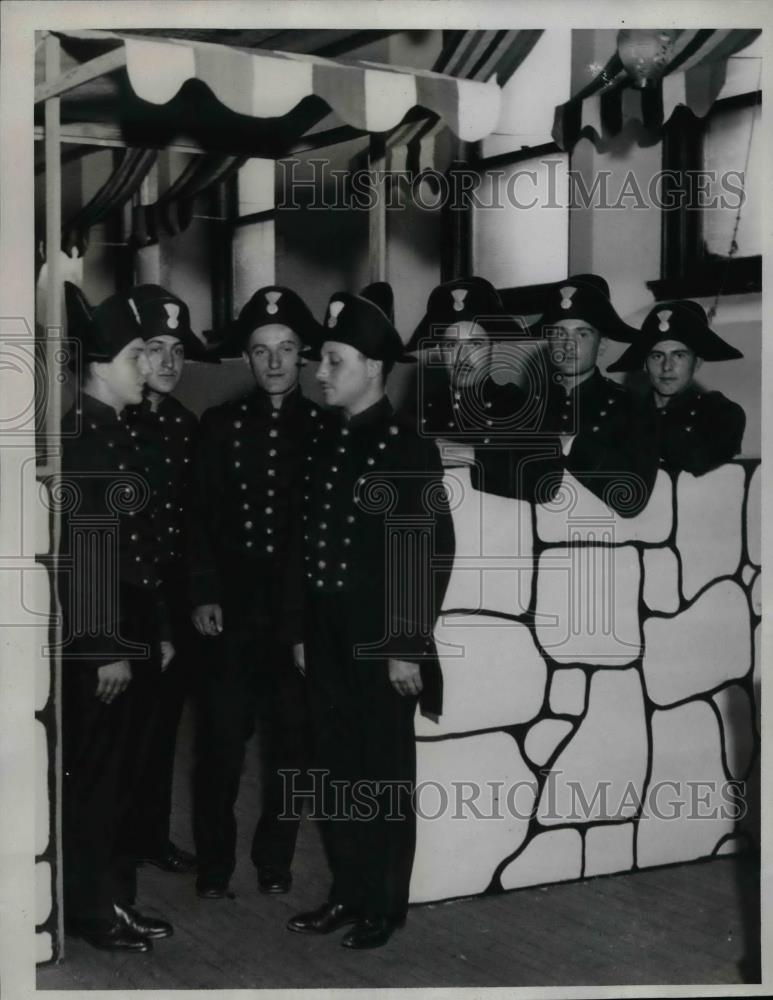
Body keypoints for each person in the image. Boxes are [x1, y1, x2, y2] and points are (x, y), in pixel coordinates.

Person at [287, 290, 455, 950]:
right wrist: (299, 630)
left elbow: (428, 550)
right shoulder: (323, 438)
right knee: (335, 771)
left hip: (379, 639)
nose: (320, 372)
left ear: (374, 366)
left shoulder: (406, 446)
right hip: (325, 638)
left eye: (333, 359)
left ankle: (384, 904)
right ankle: (346, 891)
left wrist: (405, 643)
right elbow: (303, 544)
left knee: (383, 774)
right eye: (322, 360)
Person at [187, 286, 322, 898]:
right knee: (219, 745)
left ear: (304, 357)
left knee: (291, 750)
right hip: (232, 617)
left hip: (296, 621)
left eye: (286, 349)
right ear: (246, 358)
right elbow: (199, 519)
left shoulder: (328, 430)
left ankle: (275, 860)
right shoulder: (219, 427)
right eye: (262, 350)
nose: (274, 362)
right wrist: (204, 591)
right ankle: (214, 864)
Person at [58, 282, 175, 952]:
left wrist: (152, 632)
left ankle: (116, 898)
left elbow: (140, 547)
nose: (149, 365)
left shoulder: (114, 433)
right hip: (103, 627)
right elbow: (88, 546)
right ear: (101, 364)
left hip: (129, 619)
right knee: (99, 776)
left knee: (123, 773)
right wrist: (106, 645)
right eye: (138, 353)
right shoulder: (90, 440)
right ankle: (93, 909)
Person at [123, 284, 215, 875]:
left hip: (174, 601)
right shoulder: (113, 423)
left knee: (162, 728)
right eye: (155, 348)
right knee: (119, 735)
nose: (168, 363)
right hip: (127, 599)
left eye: (178, 351)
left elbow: (198, 521)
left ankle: (151, 836)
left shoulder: (189, 425)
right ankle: (111, 849)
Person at [405, 276, 563, 502]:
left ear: (493, 348)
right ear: (439, 351)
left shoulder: (521, 407)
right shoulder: (417, 413)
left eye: (475, 344)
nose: (462, 357)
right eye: (451, 345)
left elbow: (547, 481)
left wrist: (468, 454)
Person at [531, 274, 659, 516]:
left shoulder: (631, 406)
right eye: (558, 334)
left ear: (602, 345)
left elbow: (632, 497)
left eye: (582, 334)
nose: (568, 346)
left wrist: (568, 443)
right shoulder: (527, 406)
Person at [606, 299, 745, 475]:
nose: (666, 367)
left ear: (697, 363)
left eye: (678, 355)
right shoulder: (621, 412)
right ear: (644, 364)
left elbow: (697, 462)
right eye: (657, 356)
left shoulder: (720, 413)